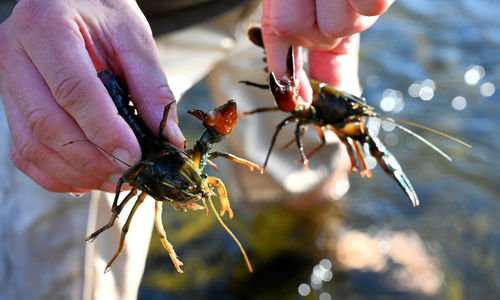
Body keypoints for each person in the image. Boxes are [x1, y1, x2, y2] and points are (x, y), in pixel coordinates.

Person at [0, 0, 393, 299]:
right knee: (79, 257)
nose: (203, 187)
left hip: (277, 12)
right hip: (104, 30)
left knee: (305, 165)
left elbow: (211, 157)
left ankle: (317, 243)